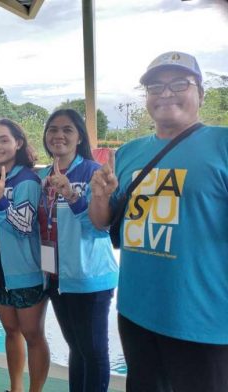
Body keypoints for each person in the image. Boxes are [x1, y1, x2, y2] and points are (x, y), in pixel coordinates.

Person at [89, 51, 228, 391]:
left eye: (179, 83)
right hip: (137, 310)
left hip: (202, 317)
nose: (166, 93)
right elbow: (102, 223)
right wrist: (100, 196)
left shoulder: (222, 143)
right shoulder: (129, 152)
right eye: (155, 86)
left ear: (201, 94)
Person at [37, 109, 118, 392]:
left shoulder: (93, 172)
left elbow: (100, 228)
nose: (59, 135)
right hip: (57, 277)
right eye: (53, 129)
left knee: (93, 352)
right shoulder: (43, 176)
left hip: (89, 276)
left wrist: (72, 195)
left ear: (79, 136)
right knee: (76, 347)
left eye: (67, 129)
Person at [0, 119, 49, 392]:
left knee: (33, 335)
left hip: (25, 273)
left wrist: (2, 202)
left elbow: (25, 226)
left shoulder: (27, 179)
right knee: (11, 332)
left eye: (4, 140)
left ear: (18, 143)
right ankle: (15, 387)